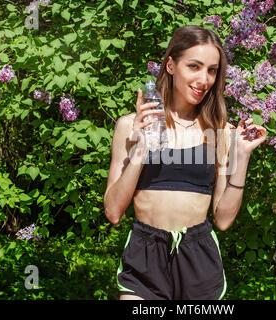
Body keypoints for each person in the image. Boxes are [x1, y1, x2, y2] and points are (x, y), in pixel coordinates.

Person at [104, 25, 266, 300]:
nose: (204, 79)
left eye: (212, 70)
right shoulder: (129, 126)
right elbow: (114, 212)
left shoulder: (220, 133)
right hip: (145, 256)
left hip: (198, 257)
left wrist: (242, 156)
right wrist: (142, 146)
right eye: (194, 66)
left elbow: (223, 220)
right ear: (170, 65)